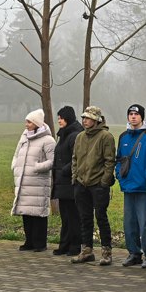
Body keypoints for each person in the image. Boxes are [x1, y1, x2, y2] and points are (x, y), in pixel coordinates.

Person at [71, 106, 116, 265]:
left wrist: (104, 182)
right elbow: (75, 159)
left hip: (98, 185)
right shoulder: (80, 137)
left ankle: (106, 252)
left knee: (101, 217)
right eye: (83, 117)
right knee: (84, 218)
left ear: (96, 119)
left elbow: (110, 161)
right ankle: (86, 250)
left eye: (88, 118)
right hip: (81, 184)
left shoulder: (106, 137)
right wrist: (75, 178)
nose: (84, 120)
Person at [117, 104, 146, 268]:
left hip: (144, 188)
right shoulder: (123, 137)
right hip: (128, 187)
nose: (133, 116)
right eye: (130, 114)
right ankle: (134, 253)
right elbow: (118, 159)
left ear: (142, 116)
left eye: (136, 114)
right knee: (129, 223)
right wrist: (119, 175)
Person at [11, 109, 55, 251]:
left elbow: (53, 161)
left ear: (36, 123)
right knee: (26, 213)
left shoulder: (48, 140)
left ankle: (40, 243)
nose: (26, 124)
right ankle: (29, 241)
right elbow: (17, 154)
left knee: (38, 215)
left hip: (38, 182)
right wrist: (15, 166)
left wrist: (37, 167)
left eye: (29, 122)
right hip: (24, 180)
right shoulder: (24, 137)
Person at [52, 107, 83, 256]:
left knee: (73, 216)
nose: (59, 120)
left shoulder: (74, 135)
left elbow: (75, 159)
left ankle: (75, 245)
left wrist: (64, 170)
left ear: (69, 118)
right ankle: (64, 244)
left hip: (70, 182)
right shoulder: (63, 135)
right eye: (58, 118)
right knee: (65, 217)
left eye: (62, 118)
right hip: (62, 183)